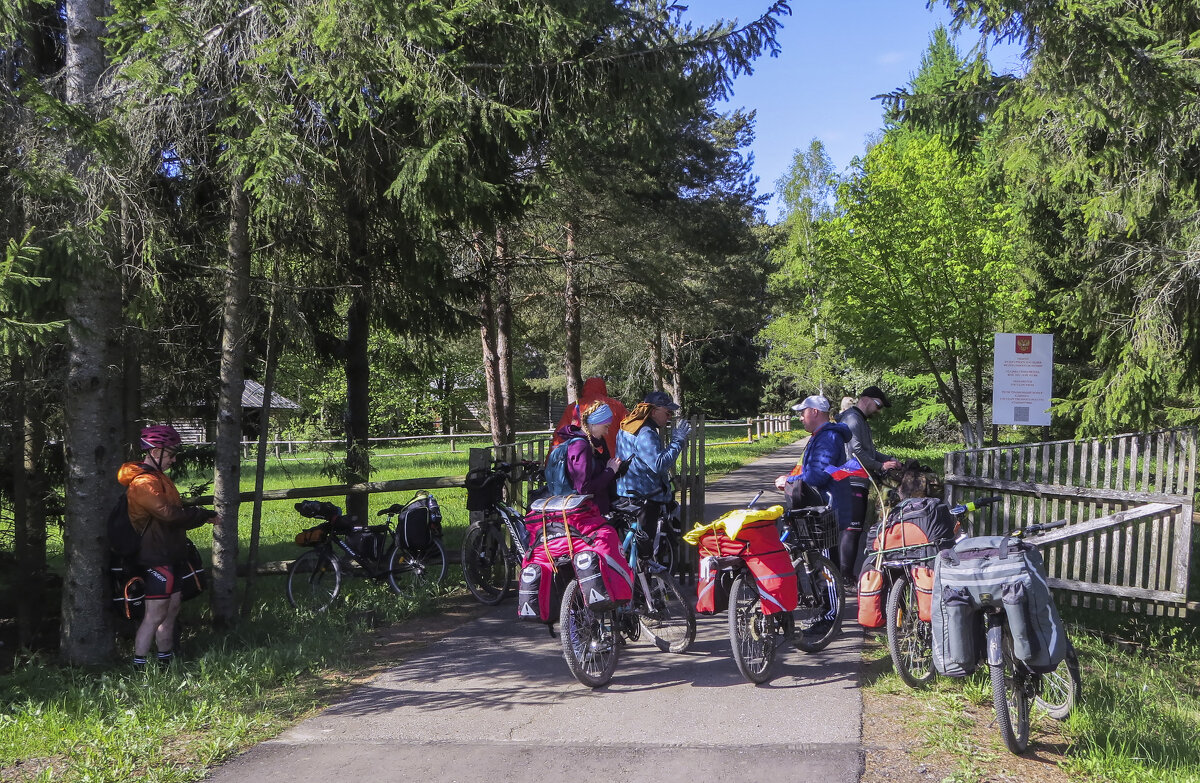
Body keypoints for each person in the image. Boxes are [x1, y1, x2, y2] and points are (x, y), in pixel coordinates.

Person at [119, 425, 219, 669]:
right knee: (155, 614)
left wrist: (196, 516)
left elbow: (174, 514)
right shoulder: (143, 482)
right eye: (170, 454)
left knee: (172, 610)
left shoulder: (159, 478)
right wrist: (200, 514)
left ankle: (166, 664)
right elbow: (168, 514)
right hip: (155, 556)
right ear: (155, 451)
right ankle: (139, 667)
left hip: (171, 553)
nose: (173, 460)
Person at [773, 394, 853, 561]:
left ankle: (833, 588)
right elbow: (811, 469)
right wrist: (791, 477)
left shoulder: (828, 438)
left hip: (824, 510)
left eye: (803, 413)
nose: (801, 418)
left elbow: (817, 476)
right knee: (820, 563)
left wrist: (789, 481)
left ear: (815, 412)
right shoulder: (821, 435)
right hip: (820, 509)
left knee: (826, 565)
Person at [836, 385, 902, 582]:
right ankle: (844, 576)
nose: (878, 411)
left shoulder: (860, 421)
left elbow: (869, 451)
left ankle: (844, 574)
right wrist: (880, 466)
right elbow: (856, 453)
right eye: (878, 405)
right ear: (866, 399)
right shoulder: (852, 419)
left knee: (855, 530)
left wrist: (888, 460)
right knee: (852, 529)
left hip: (860, 481)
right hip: (851, 481)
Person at [615, 390, 690, 532]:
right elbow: (659, 464)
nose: (669, 417)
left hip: (627, 494)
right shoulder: (645, 432)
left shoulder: (629, 426)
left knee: (633, 543)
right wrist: (677, 442)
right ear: (654, 411)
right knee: (646, 547)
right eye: (667, 413)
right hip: (644, 497)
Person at [553, 401, 623, 514]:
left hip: (594, 510)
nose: (607, 431)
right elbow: (584, 489)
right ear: (594, 423)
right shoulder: (580, 446)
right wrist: (610, 470)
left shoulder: (593, 443)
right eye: (606, 426)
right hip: (588, 514)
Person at [551, 377, 629, 456]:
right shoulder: (617, 406)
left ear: (584, 389)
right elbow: (630, 430)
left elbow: (559, 437)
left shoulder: (573, 407)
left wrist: (550, 463)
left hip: (580, 458)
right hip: (612, 461)